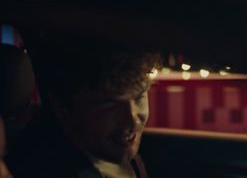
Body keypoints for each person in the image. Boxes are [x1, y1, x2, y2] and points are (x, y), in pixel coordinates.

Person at [6, 40, 160, 178]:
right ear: (63, 108)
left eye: (139, 97)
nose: (132, 119)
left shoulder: (110, 147)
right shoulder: (43, 167)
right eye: (109, 105)